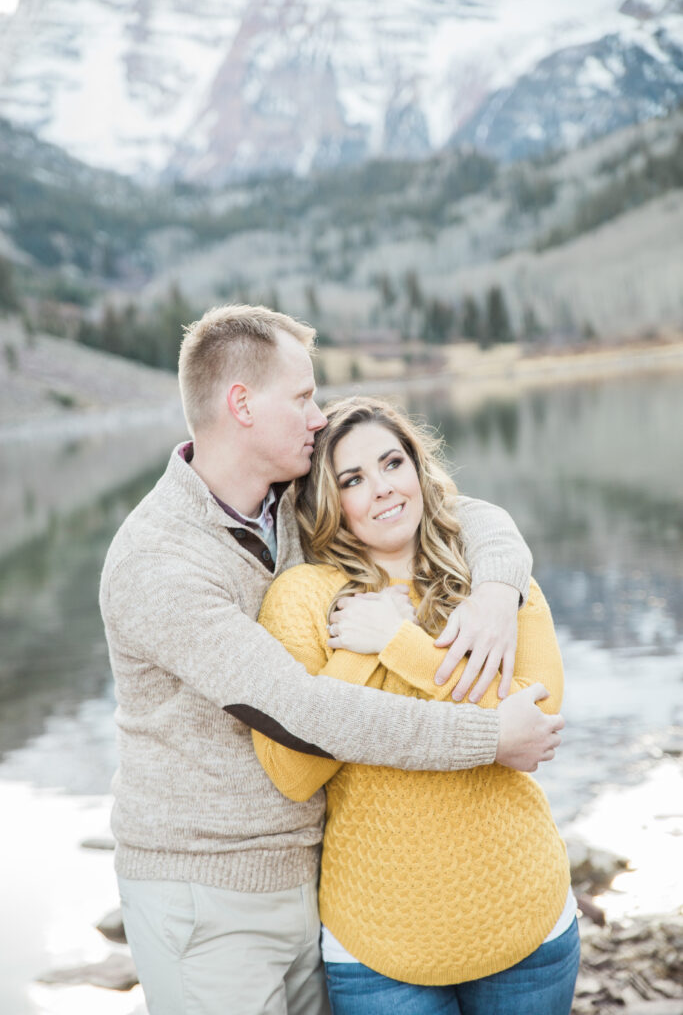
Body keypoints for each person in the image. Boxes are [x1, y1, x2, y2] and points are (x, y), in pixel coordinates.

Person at [99, 304, 564, 1015]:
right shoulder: (158, 561)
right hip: (209, 889)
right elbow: (305, 713)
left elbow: (438, 506)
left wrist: (499, 587)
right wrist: (490, 737)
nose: (317, 415)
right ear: (241, 404)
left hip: (309, 878)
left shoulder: (283, 503)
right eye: (303, 396)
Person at [253, 396, 578, 1015]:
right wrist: (360, 649)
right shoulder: (302, 599)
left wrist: (399, 644)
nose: (381, 489)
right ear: (329, 502)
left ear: (417, 470)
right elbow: (293, 772)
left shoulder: (489, 580)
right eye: (353, 479)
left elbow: (535, 722)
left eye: (392, 463)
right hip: (379, 948)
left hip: (524, 921)